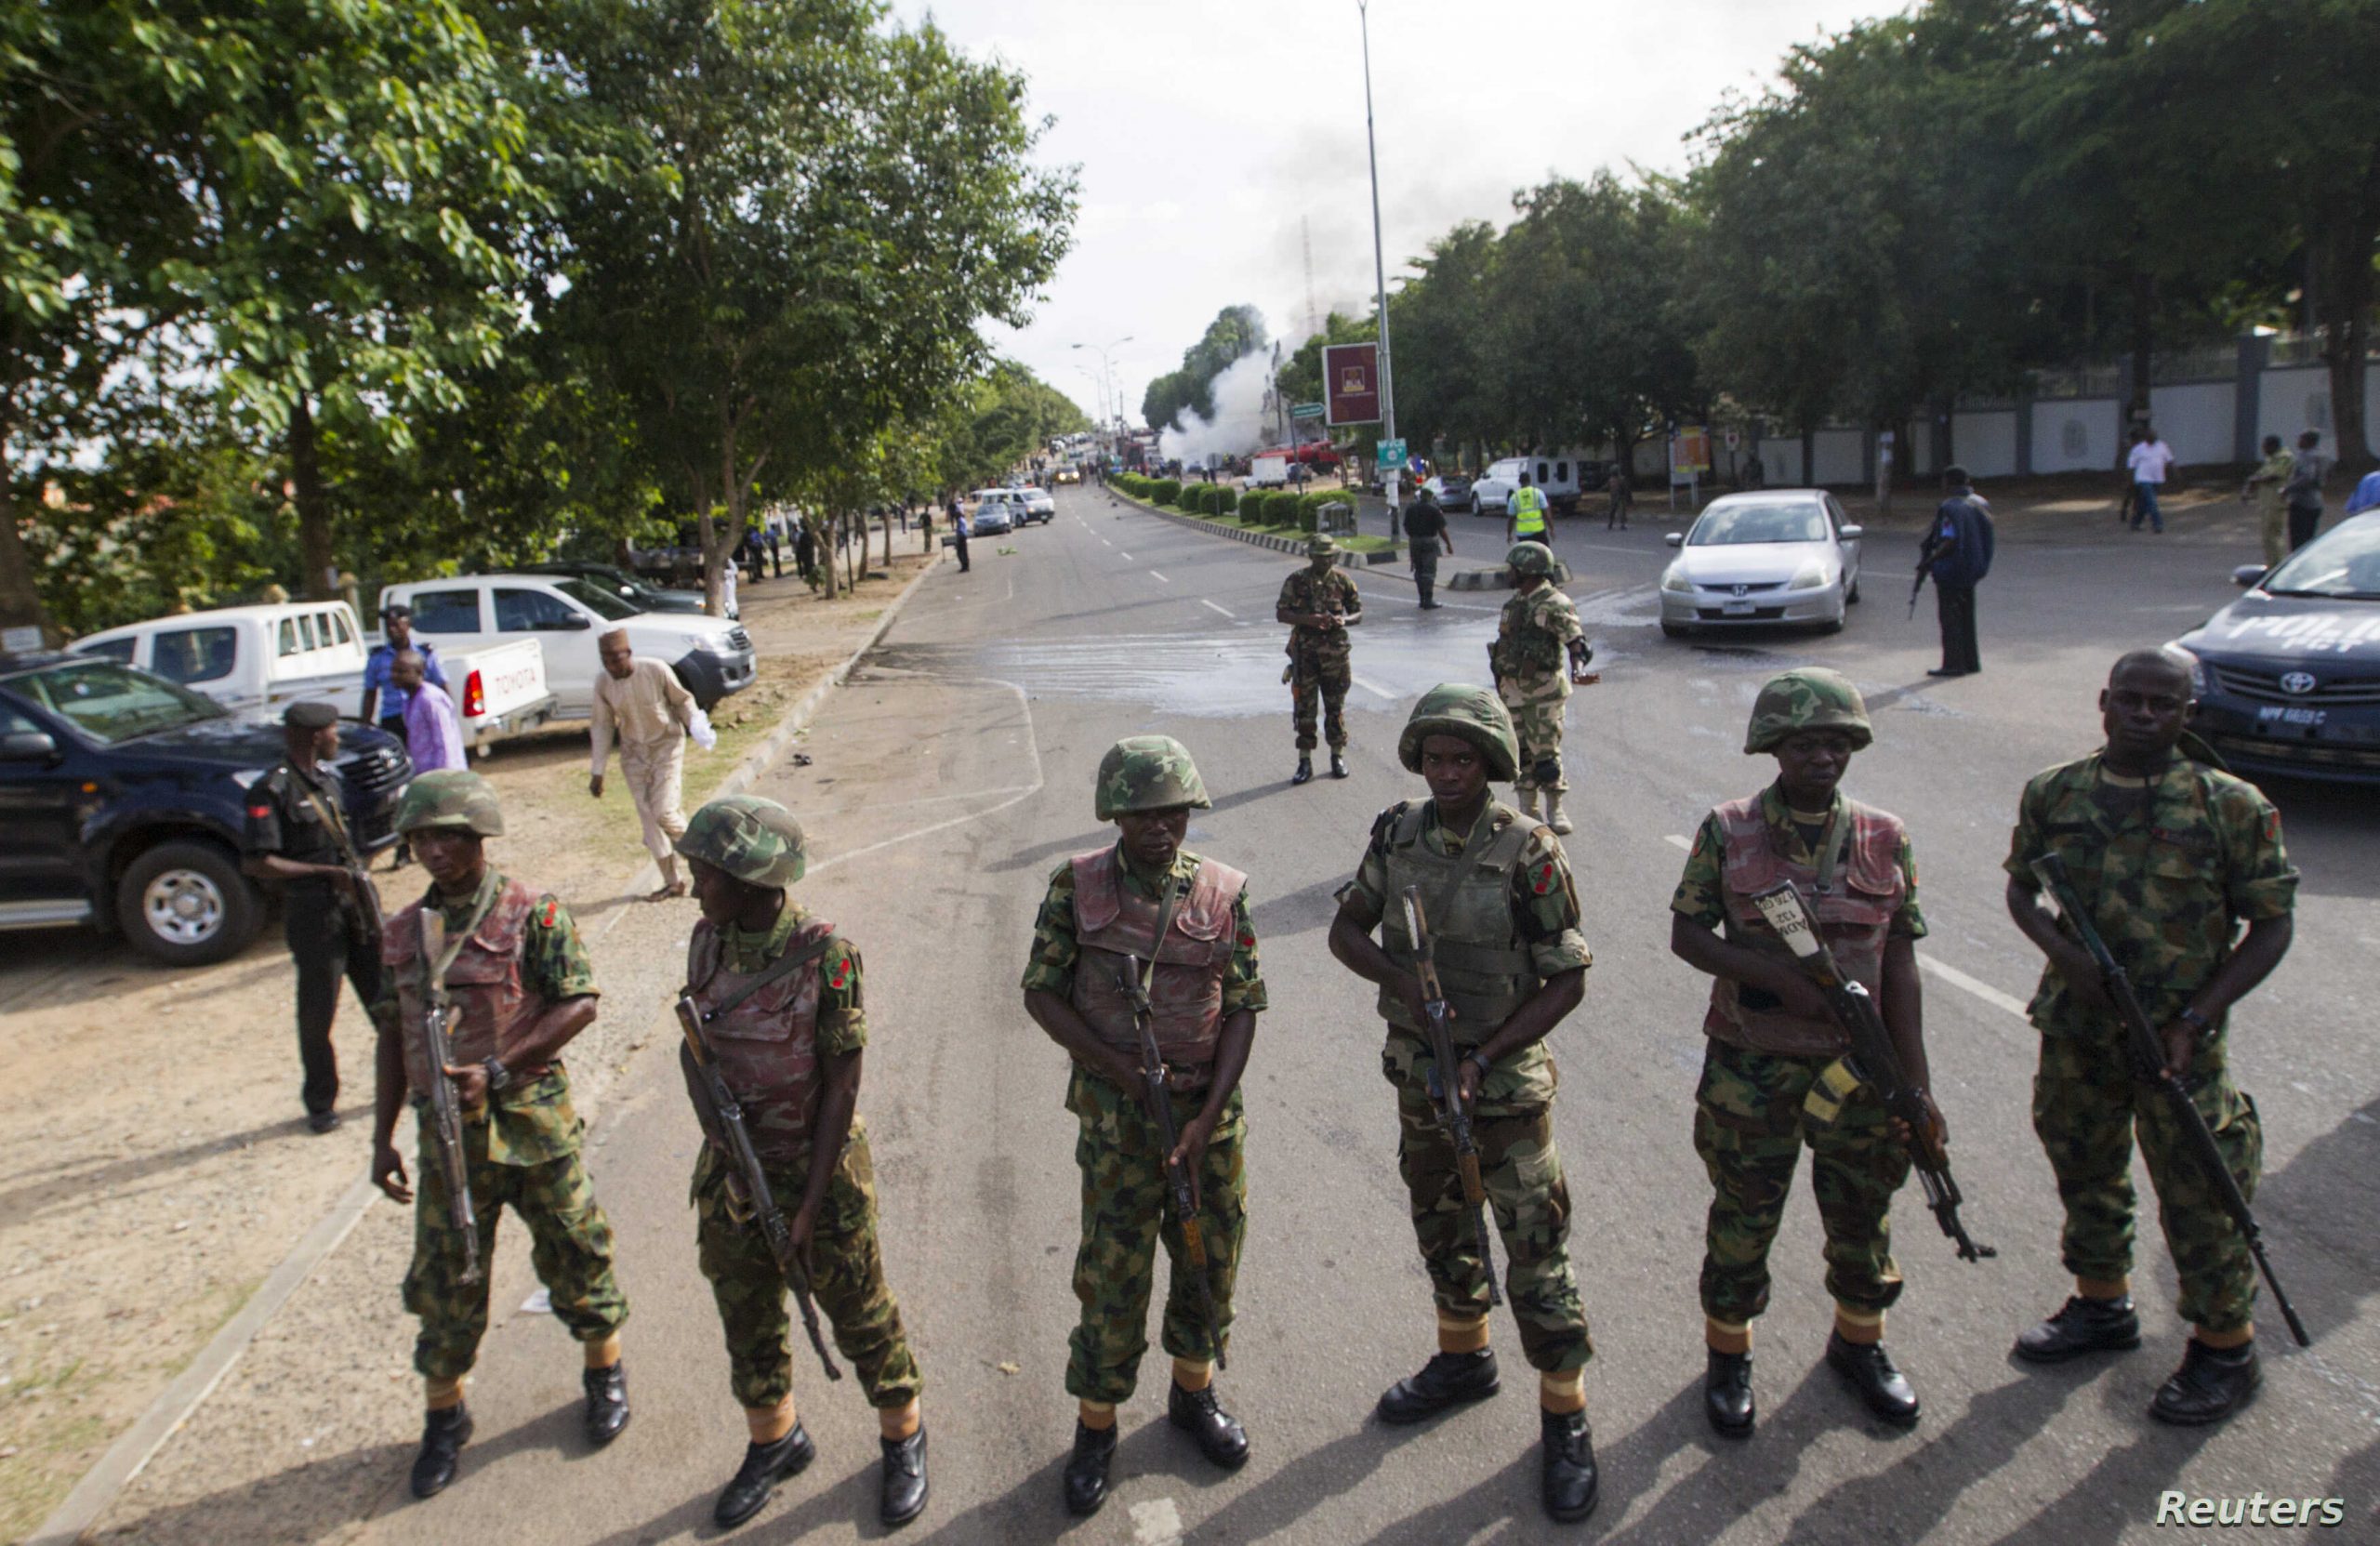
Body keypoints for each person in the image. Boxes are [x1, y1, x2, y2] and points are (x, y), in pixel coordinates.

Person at [2003, 647, 2297, 1426]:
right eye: (2129, 699)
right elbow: (2021, 889)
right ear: (2104, 703)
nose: (2143, 714)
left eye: (2162, 703)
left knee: (2202, 1189)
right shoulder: (2056, 792)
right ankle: (2102, 1304)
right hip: (2077, 1028)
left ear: (2186, 713)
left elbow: (2272, 924)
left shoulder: (2228, 805)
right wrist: (2065, 954)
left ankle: (2224, 1346)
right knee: (2084, 1165)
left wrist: (2198, 1018)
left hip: (2178, 1041)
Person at [1326, 685, 1598, 1524]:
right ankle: (1464, 1357)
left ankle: (1565, 1411)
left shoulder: (1530, 850)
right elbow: (1346, 932)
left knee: (1534, 1242)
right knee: (1441, 1218)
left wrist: (1485, 1055)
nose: (1447, 773)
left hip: (1505, 1085)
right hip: (1421, 1072)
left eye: (1464, 759)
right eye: (1435, 758)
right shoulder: (1397, 831)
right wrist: (1403, 980)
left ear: (1491, 764)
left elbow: (1569, 975)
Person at [1669, 668, 1937, 1436]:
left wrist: (1914, 1088)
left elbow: (1901, 965)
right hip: (1752, 1068)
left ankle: (1860, 1344)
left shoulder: (1886, 836)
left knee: (1862, 1214)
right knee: (1743, 1217)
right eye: (1804, 743)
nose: (1822, 757)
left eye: (1836, 742)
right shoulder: (1729, 828)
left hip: (1858, 1073)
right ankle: (1729, 1355)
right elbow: (1688, 934)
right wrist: (1778, 979)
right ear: (1773, 748)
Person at [369, 770, 631, 1498]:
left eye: (447, 834)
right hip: (446, 1138)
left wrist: (498, 1065)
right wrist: (382, 1136)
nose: (433, 849)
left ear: (479, 835)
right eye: (420, 836)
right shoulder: (399, 935)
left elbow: (579, 1003)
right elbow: (392, 1037)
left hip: (531, 1125)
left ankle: (604, 1371)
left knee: (577, 1250)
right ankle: (445, 1416)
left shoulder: (531, 914)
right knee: (446, 1276)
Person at [1021, 738, 1264, 1518]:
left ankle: (1193, 1395)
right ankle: (1097, 1426)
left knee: (1208, 1258)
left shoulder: (1222, 892)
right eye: (1142, 812)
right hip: (1120, 1128)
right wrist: (1121, 1072)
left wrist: (1208, 1110)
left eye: (1173, 811)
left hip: (1207, 1125)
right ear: (1115, 813)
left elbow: (1243, 1005)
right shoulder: (1077, 885)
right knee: (1113, 1277)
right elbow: (1042, 992)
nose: (1160, 827)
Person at [674, 797, 929, 1529]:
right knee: (747, 1309)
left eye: (705, 875)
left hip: (819, 1172)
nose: (695, 889)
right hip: (735, 1174)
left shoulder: (827, 955)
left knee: (859, 1311)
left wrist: (809, 1205)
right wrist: (720, 1141)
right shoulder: (707, 942)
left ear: (751, 877)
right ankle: (776, 1438)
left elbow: (842, 1085)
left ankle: (904, 1434)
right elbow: (694, 1048)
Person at [241, 701, 387, 1132]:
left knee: (385, 997)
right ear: (313, 736)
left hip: (353, 906)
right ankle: (321, 1103)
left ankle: (415, 1077)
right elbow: (260, 862)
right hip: (313, 912)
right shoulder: (271, 790)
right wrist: (327, 874)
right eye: (332, 731)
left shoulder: (328, 781)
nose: (337, 738)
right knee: (318, 1011)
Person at [589, 628, 707, 901]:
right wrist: (598, 771)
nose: (613, 667)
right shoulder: (603, 683)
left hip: (666, 745)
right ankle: (673, 882)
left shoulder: (654, 669)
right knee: (648, 818)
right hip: (634, 754)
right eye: (607, 662)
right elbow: (602, 725)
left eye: (617, 660)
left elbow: (683, 700)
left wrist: (697, 727)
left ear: (628, 654)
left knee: (665, 811)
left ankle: (706, 858)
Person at [1489, 542, 1593, 836]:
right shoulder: (1515, 603)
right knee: (1520, 753)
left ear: (1527, 570)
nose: (1508, 574)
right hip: (1512, 691)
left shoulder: (1554, 603)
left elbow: (1576, 642)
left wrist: (1579, 670)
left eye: (1513, 569)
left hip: (1544, 692)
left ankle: (1555, 808)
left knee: (1545, 753)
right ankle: (1527, 809)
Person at [1275, 534, 1364, 784]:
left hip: (1336, 656)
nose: (1325, 561)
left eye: (1329, 557)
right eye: (1320, 557)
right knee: (1305, 709)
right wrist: (1309, 620)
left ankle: (1337, 756)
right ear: (1311, 556)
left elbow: (1358, 611)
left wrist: (1343, 620)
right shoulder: (1297, 581)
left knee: (1335, 708)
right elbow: (1281, 613)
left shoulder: (1343, 581)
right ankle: (1305, 761)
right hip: (1305, 656)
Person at [1922, 468, 1994, 679]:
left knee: (1950, 619)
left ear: (1949, 482)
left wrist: (1930, 560)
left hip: (1951, 571)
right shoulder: (1981, 503)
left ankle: (1953, 663)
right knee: (1967, 617)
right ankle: (1971, 661)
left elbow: (1949, 539)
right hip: (1973, 569)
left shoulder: (1950, 507)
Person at [362, 603, 447, 737]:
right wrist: (365, 725)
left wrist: (447, 716)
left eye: (396, 625)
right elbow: (370, 693)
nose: (391, 630)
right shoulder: (377, 658)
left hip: (422, 712)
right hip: (392, 717)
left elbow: (442, 685)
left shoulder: (425, 654)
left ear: (408, 625)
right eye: (388, 626)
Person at [392, 650, 465, 774]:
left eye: (401, 672)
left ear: (419, 672)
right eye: (393, 671)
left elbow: (445, 741)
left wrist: (443, 776)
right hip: (424, 774)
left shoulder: (430, 699)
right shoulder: (409, 700)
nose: (394, 676)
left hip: (443, 776)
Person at [2240, 435, 2295, 570]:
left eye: (2265, 447)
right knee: (2267, 536)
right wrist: (2249, 490)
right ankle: (2271, 564)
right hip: (2266, 502)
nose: (2263, 450)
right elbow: (2258, 475)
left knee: (2274, 535)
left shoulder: (2284, 457)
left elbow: (2275, 475)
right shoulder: (2270, 459)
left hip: (2276, 502)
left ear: (2273, 446)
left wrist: (2256, 481)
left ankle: (2279, 565)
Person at [2282, 429, 2332, 552]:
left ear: (2309, 441)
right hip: (2316, 500)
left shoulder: (2306, 455)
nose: (2298, 442)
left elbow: (2307, 477)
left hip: (2301, 501)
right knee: (2310, 538)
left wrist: (2287, 489)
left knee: (2298, 539)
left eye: (2301, 439)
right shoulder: (2323, 455)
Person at [1404, 487, 1451, 610]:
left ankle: (1421, 599)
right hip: (1429, 542)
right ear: (1430, 496)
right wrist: (1448, 544)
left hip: (1414, 542)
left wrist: (1413, 537)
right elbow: (1441, 530)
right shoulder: (1434, 510)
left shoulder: (1411, 509)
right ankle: (1428, 600)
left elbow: (1406, 526)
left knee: (1418, 570)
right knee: (1429, 572)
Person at [2126, 426, 2175, 534]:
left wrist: (2175, 475)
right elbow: (2131, 466)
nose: (2153, 437)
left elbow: (2170, 461)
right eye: (2150, 436)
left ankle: (2135, 522)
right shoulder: (2138, 449)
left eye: (2154, 435)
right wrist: (2131, 481)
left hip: (2157, 479)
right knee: (2152, 502)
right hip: (2143, 479)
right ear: (2146, 437)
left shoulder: (2162, 446)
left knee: (2144, 503)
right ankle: (2158, 524)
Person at [1506, 470, 1551, 548]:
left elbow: (1511, 519)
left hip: (1523, 534)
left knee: (1526, 555)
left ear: (1519, 482)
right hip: (1539, 531)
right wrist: (1551, 528)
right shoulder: (1538, 493)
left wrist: (1509, 534)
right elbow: (1546, 513)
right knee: (1545, 554)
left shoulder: (1514, 497)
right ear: (1530, 480)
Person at [1605, 466, 1633, 531]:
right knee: (1613, 511)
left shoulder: (1621, 479)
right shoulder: (1612, 479)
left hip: (1619, 497)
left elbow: (1625, 489)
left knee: (1621, 511)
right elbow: (1607, 486)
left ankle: (1621, 524)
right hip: (1614, 497)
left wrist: (1625, 496)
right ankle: (1611, 523)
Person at [794, 519, 818, 586]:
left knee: (807, 565)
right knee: (811, 564)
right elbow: (813, 543)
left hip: (805, 553)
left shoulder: (802, 536)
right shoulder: (810, 535)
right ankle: (812, 576)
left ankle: (809, 576)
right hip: (810, 552)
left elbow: (801, 544)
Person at [951, 500, 972, 575]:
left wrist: (957, 541)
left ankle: (964, 566)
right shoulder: (963, 520)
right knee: (964, 552)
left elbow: (960, 531)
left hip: (961, 537)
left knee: (960, 553)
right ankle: (966, 566)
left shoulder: (960, 521)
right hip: (964, 536)